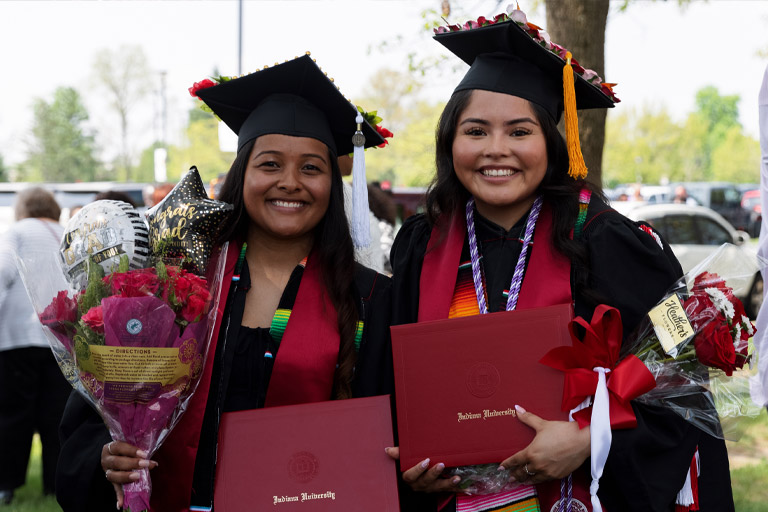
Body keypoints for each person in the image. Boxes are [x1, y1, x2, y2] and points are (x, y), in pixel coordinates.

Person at [387, 9, 734, 512]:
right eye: (476, 131)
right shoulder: (423, 243)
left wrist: (589, 438)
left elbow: (679, 378)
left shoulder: (611, 241)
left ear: (552, 143)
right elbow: (391, 384)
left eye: (520, 132)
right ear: (450, 141)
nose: (496, 150)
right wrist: (408, 463)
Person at [55, 54, 395, 512]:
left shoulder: (369, 297)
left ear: (333, 185)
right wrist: (107, 455)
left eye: (312, 168)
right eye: (270, 164)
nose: (290, 182)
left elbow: (387, 431)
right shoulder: (170, 284)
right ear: (243, 174)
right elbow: (99, 414)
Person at [0, 187, 71, 505]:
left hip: (16, 340)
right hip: (60, 340)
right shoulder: (67, 234)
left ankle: (6, 484)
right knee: (56, 416)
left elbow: (2, 273)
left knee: (13, 416)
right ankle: (56, 485)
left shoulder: (16, 232)